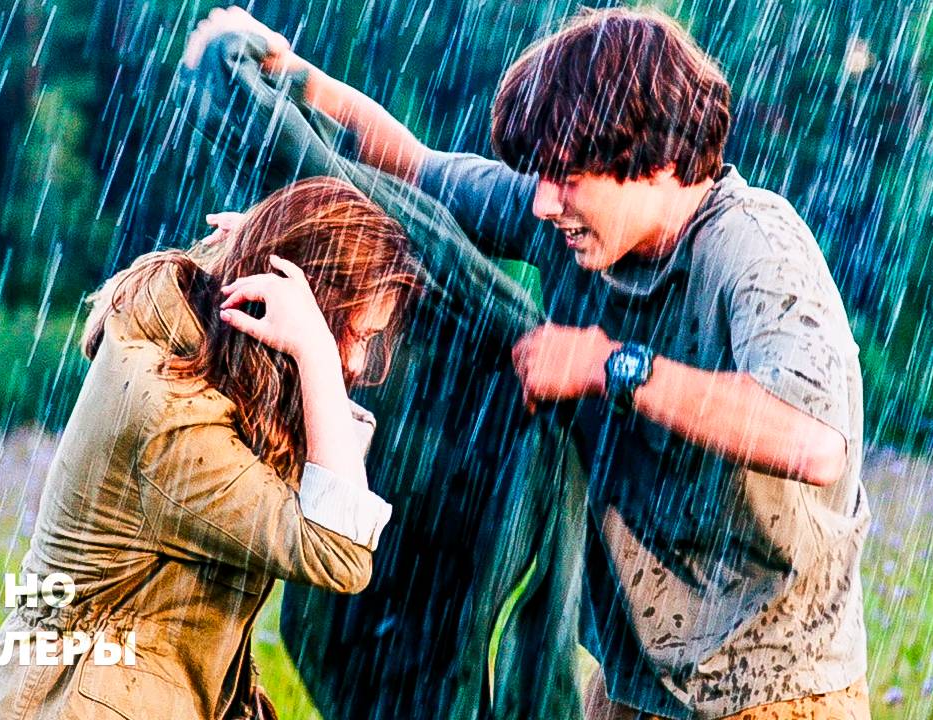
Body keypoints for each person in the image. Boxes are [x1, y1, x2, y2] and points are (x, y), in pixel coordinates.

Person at [188, 5, 871, 719]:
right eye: (541, 174)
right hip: (636, 688)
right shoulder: (574, 223)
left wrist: (608, 365)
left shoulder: (755, 247)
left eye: (567, 175)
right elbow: (414, 170)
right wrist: (286, 73)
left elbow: (814, 441)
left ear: (659, 162)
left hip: (780, 693)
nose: (544, 201)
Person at [0, 176, 420, 720]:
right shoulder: (172, 419)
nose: (359, 364)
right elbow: (338, 551)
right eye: (356, 336)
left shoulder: (196, 354)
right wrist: (316, 353)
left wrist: (257, 251)